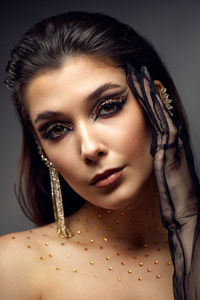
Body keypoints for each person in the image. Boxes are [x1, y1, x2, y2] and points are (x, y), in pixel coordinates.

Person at [0, 11, 199, 299]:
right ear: (41, 148)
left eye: (107, 107)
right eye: (56, 130)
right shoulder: (13, 266)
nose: (89, 148)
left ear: (156, 102)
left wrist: (188, 224)